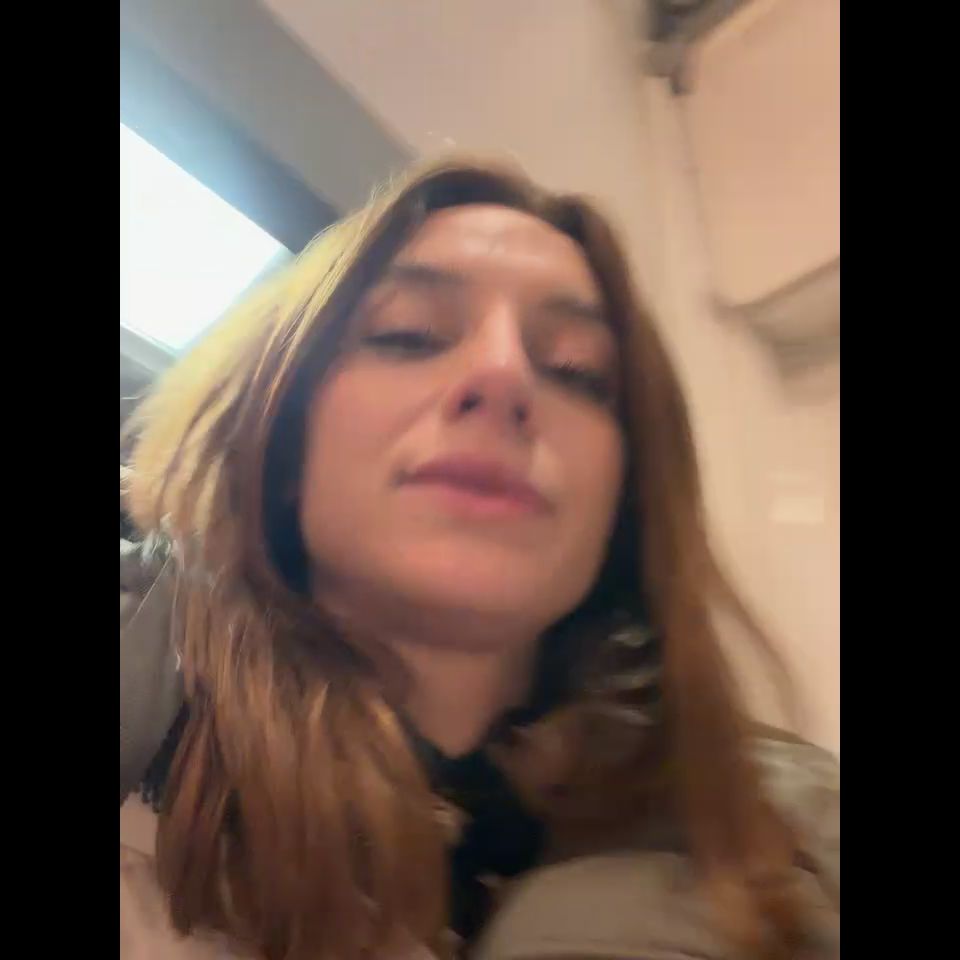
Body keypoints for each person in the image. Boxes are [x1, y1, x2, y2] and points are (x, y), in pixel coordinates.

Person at [120, 160, 839, 960]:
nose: (502, 375)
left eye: (577, 372)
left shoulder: (789, 833)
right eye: (407, 335)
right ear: (278, 441)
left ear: (625, 501)